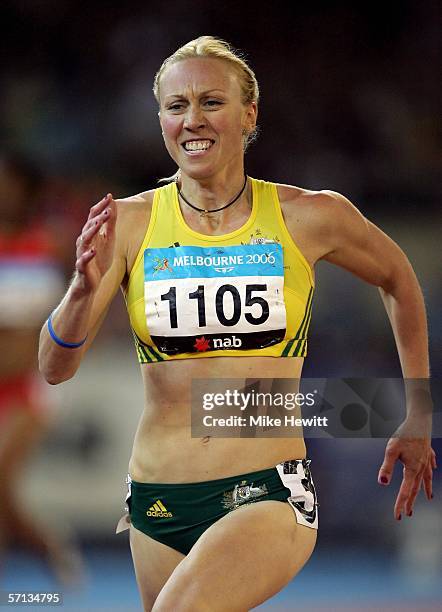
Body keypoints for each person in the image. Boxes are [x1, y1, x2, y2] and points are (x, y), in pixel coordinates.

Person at [38, 36, 436, 611]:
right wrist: (79, 289)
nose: (192, 120)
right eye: (176, 107)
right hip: (157, 502)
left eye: (210, 102)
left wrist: (417, 411)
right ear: (160, 120)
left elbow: (399, 278)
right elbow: (53, 369)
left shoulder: (309, 215)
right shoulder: (127, 223)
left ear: (249, 113)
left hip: (266, 492)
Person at [0, 153, 83, 585]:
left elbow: (67, 310)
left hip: (30, 385)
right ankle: (51, 548)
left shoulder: (47, 242)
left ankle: (51, 551)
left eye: (8, 182)